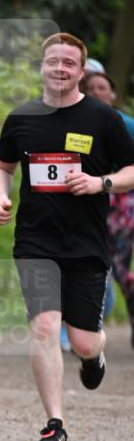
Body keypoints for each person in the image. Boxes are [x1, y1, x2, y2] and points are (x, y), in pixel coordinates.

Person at [0, 32, 134, 441]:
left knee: (85, 339)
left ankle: (94, 355)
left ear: (80, 71)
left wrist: (100, 182)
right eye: (53, 61)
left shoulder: (103, 119)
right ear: (42, 66)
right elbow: (2, 166)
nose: (60, 68)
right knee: (46, 326)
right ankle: (54, 422)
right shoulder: (21, 118)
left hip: (87, 243)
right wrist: (1, 196)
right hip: (35, 241)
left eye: (69, 63)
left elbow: (131, 170)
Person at [82, 69, 134, 347]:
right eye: (91, 89)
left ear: (113, 93)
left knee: (119, 268)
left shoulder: (125, 124)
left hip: (124, 205)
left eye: (102, 88)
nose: (97, 93)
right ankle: (84, 328)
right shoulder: (76, 123)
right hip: (89, 205)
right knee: (97, 265)